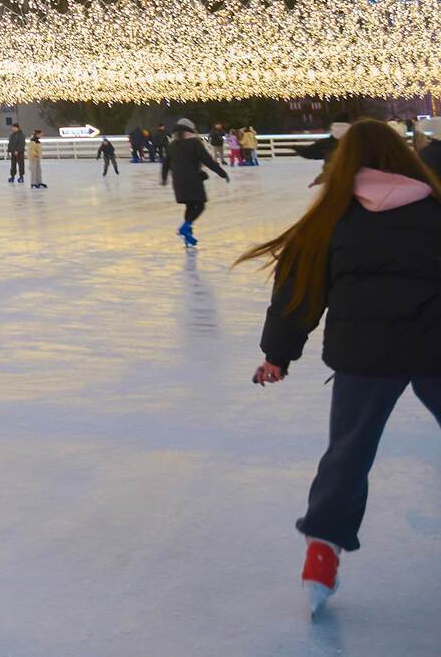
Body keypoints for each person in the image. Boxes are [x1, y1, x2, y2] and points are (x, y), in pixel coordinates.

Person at [239, 119, 441, 614]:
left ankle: (321, 556)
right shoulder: (438, 208)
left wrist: (277, 355)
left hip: (364, 354)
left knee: (348, 454)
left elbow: (297, 292)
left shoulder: (333, 218)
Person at [161, 118, 229, 246]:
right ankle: (185, 228)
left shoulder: (172, 145)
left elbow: (165, 163)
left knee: (189, 206)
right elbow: (207, 160)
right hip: (193, 180)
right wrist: (222, 173)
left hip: (179, 181)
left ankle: (188, 236)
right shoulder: (195, 143)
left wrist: (164, 178)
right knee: (200, 205)